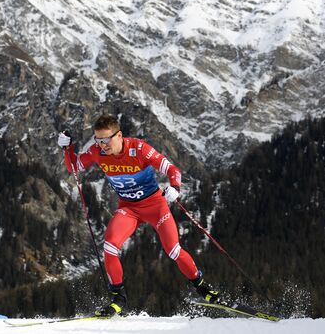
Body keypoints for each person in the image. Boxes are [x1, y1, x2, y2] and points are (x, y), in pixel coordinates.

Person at [57, 114, 218, 317]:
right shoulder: (98, 152)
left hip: (155, 205)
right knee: (109, 245)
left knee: (173, 250)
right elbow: (74, 167)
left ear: (120, 135)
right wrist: (67, 148)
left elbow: (171, 169)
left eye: (106, 140)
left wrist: (175, 187)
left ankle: (202, 287)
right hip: (129, 209)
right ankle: (118, 299)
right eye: (98, 140)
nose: (102, 145)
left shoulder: (139, 149)